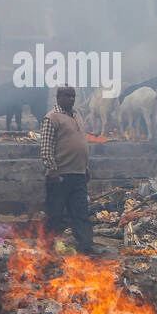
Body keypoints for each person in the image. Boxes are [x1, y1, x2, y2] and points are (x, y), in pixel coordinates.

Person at [39, 86, 95, 256]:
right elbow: (46, 146)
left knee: (81, 213)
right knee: (54, 213)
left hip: (78, 174)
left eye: (73, 96)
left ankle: (86, 247)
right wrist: (52, 168)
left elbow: (80, 143)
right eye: (68, 96)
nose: (72, 99)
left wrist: (85, 168)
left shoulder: (77, 115)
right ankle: (47, 247)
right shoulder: (51, 118)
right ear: (58, 97)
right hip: (60, 175)